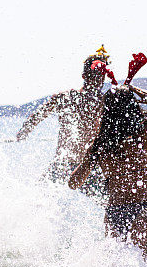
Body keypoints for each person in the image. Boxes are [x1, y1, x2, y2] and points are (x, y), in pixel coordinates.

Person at [69, 82, 147, 257]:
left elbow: (73, 183)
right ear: (133, 107)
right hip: (144, 210)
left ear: (106, 111)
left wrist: (92, 160)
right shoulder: (145, 133)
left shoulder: (98, 146)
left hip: (114, 214)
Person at [16, 48, 108, 195]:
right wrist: (25, 131)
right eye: (97, 76)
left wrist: (24, 131)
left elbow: (37, 116)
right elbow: (39, 114)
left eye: (102, 76)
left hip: (79, 166)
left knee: (38, 198)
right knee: (38, 197)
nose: (100, 80)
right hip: (75, 165)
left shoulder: (100, 101)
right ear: (85, 76)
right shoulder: (98, 101)